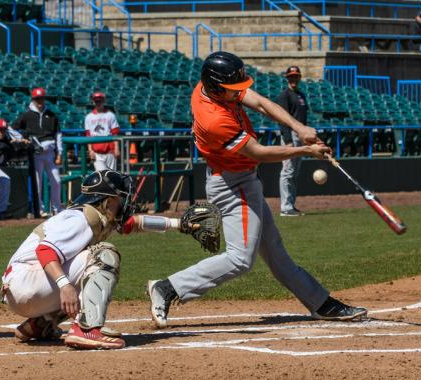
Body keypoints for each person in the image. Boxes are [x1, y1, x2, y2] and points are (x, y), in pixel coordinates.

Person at [146, 52, 367, 329]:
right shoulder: (213, 119)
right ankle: (168, 288)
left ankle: (322, 303)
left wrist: (298, 127)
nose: (240, 92)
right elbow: (259, 152)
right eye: (233, 89)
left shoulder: (215, 88)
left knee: (275, 252)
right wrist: (306, 149)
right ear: (216, 88)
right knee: (240, 259)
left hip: (240, 178)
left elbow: (260, 103)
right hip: (232, 185)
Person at [2, 170, 195, 350]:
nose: (126, 202)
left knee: (88, 270)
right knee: (104, 255)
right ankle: (87, 329)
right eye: (121, 197)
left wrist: (180, 224)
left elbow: (132, 224)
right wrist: (64, 285)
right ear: (109, 200)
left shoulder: (95, 216)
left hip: (25, 288)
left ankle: (41, 323)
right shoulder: (80, 219)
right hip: (27, 282)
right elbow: (45, 251)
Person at [14, 87, 62, 217]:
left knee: (56, 180)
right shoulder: (27, 115)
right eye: (36, 98)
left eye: (41, 98)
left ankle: (57, 209)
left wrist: (59, 153)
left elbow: (58, 135)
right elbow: (13, 128)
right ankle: (38, 209)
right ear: (33, 99)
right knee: (37, 182)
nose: (39, 101)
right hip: (36, 153)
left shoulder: (51, 115)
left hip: (51, 152)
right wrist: (23, 138)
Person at [277, 66, 309, 217]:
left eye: (296, 76)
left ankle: (291, 205)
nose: (293, 79)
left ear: (299, 78)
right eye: (291, 76)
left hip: (300, 136)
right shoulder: (285, 95)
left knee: (295, 172)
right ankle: (285, 207)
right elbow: (282, 119)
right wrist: (287, 139)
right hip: (290, 136)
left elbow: (303, 119)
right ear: (287, 78)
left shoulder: (301, 95)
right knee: (288, 171)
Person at [84, 92, 120, 171]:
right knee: (101, 176)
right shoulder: (88, 117)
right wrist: (90, 150)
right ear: (93, 102)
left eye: (100, 101)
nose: (98, 103)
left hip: (110, 150)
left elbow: (115, 133)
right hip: (96, 151)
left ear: (103, 101)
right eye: (96, 101)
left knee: (111, 175)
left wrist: (117, 148)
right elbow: (88, 135)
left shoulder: (110, 115)